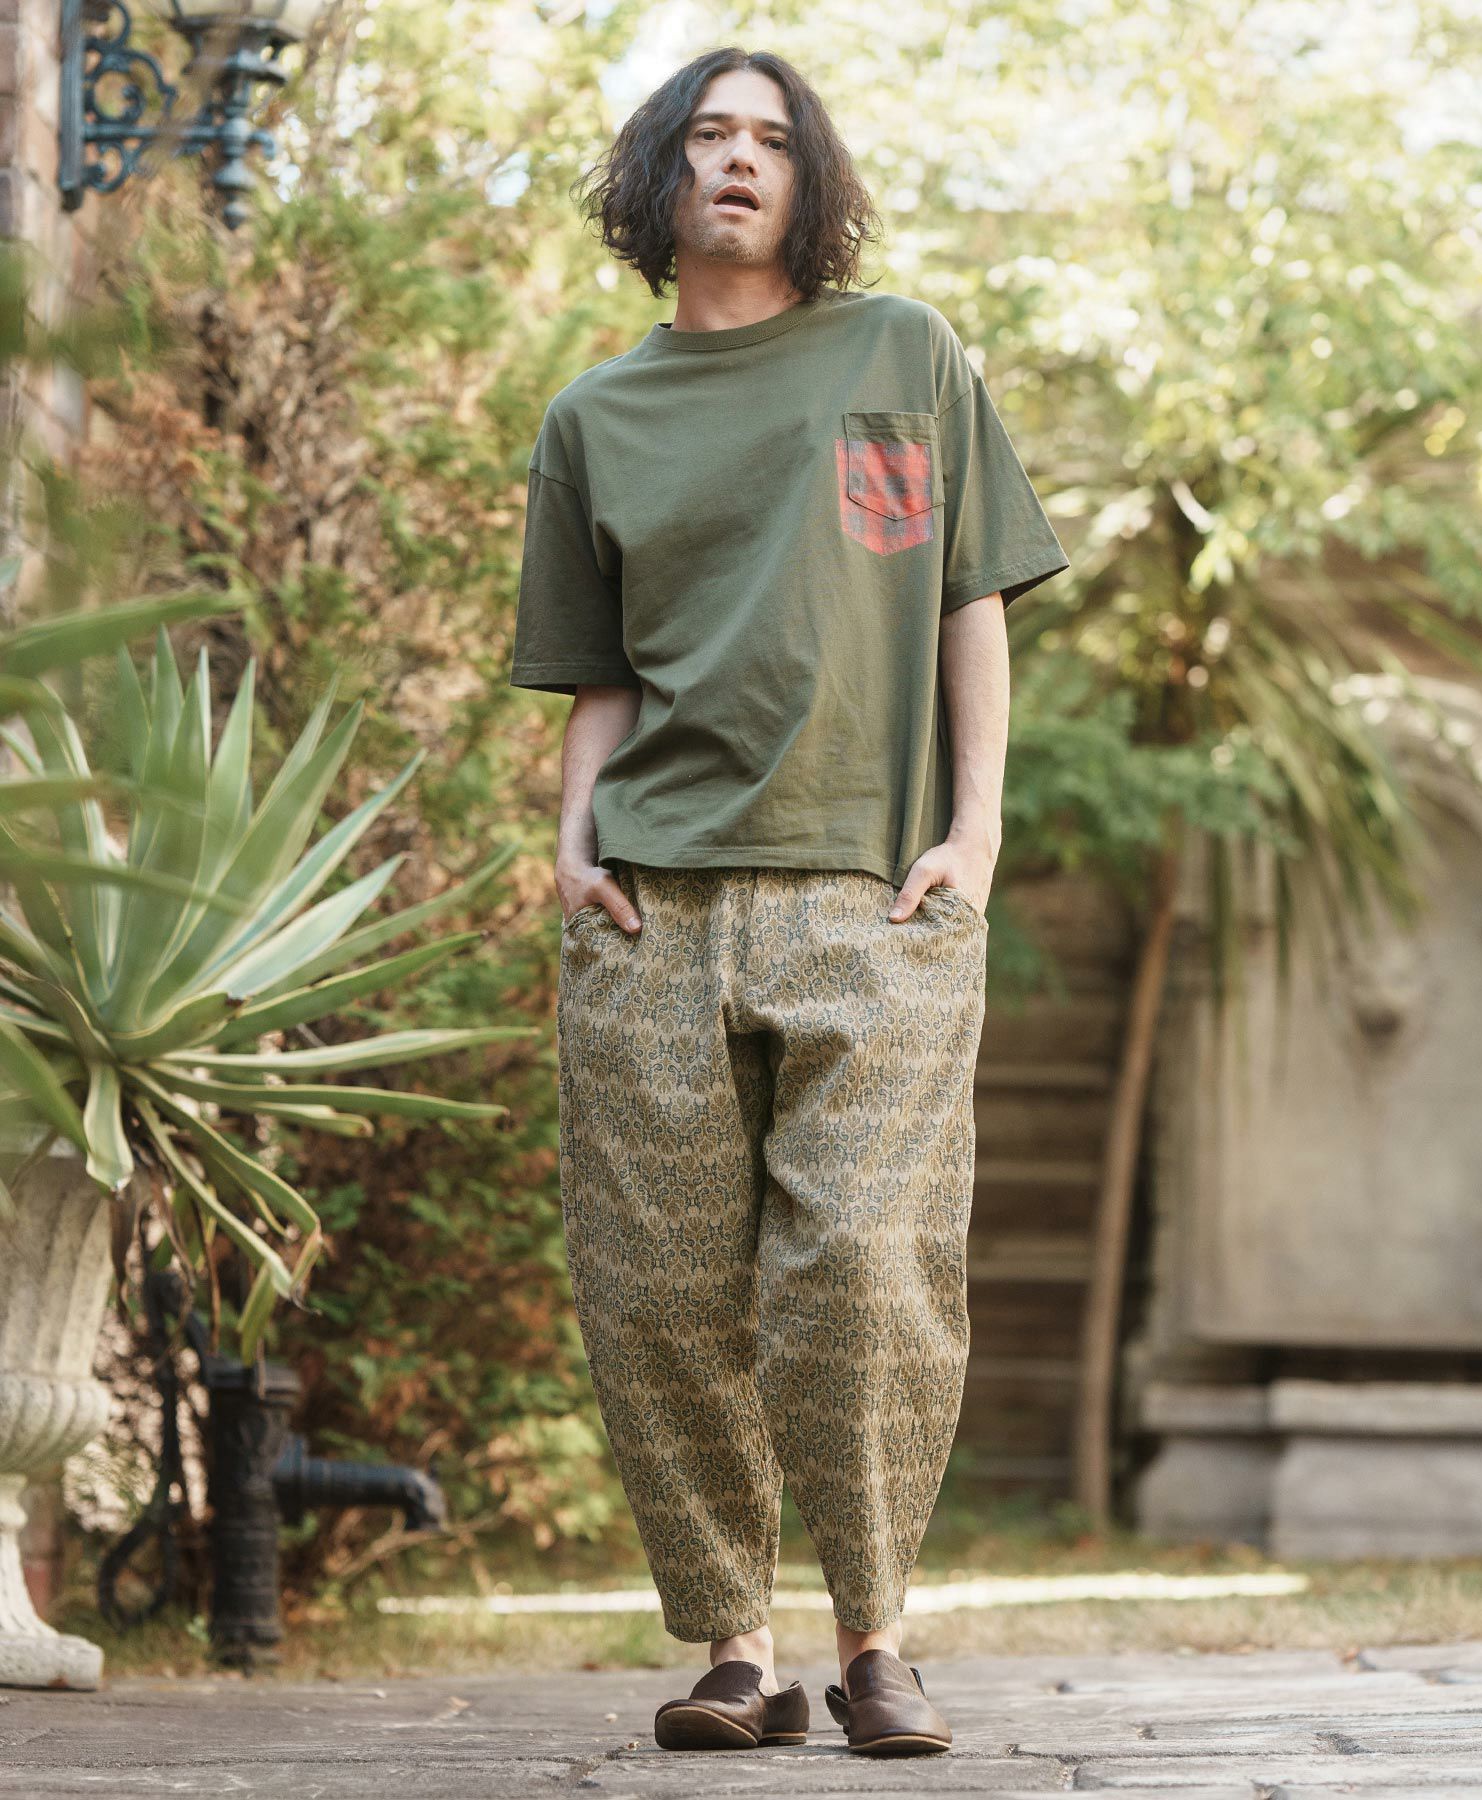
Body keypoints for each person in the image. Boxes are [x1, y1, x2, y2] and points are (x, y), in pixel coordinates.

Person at [507, 43, 1069, 1758]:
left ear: (807, 180)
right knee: (660, 1291)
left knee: (866, 1268)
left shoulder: (903, 354)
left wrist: (977, 832)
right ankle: (735, 1651)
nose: (739, 159)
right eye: (708, 135)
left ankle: (878, 1638)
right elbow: (600, 677)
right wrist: (571, 844)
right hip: (650, 908)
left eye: (770, 138)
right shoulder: (596, 419)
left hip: (870, 896)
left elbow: (968, 596)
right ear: (660, 177)